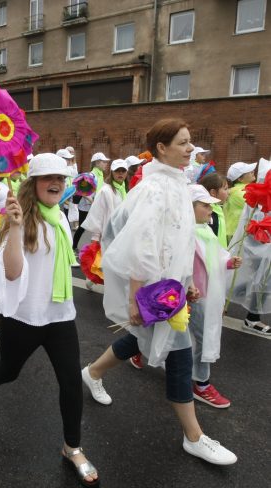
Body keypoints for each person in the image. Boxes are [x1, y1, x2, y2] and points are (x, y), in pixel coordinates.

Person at [81, 118, 237, 465]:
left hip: (169, 287)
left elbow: (178, 239)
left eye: (190, 142)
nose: (190, 148)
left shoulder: (177, 184)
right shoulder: (155, 189)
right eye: (182, 143)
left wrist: (188, 281)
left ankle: (91, 373)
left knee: (138, 338)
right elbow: (140, 243)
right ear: (161, 149)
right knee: (181, 354)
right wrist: (138, 294)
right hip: (153, 288)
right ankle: (194, 437)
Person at [0, 153, 100, 488]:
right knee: (8, 371)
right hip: (23, 317)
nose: (56, 183)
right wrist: (12, 226)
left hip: (59, 316)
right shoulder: (21, 219)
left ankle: (72, 447)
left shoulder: (60, 218)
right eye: (47, 178)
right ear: (33, 183)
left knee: (71, 382)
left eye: (61, 178)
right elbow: (12, 272)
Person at [189, 184, 241, 408]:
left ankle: (139, 351)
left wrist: (229, 262)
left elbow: (215, 257)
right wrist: (187, 286)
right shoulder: (183, 232)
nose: (211, 210)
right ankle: (201, 385)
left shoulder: (205, 230)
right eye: (205, 206)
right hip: (192, 295)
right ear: (189, 207)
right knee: (201, 338)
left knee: (186, 335)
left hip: (206, 294)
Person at [227, 158, 271, 335]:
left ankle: (249, 315)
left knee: (255, 282)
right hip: (259, 249)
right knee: (260, 282)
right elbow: (256, 228)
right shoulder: (259, 199)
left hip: (260, 248)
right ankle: (252, 319)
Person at [80, 159, 128, 290]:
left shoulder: (124, 189)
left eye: (123, 171)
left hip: (120, 234)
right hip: (107, 234)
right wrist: (95, 237)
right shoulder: (105, 191)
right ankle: (92, 279)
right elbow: (97, 214)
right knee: (103, 262)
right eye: (117, 170)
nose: (120, 173)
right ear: (112, 172)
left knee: (113, 264)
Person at [72, 152, 109, 254]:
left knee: (97, 229)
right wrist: (92, 200)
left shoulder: (101, 176)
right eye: (104, 162)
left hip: (96, 206)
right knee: (82, 227)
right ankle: (73, 247)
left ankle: (96, 251)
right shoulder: (91, 175)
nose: (106, 164)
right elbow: (80, 189)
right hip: (86, 206)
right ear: (97, 163)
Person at [223, 161, 256, 242]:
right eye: (248, 171)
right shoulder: (240, 192)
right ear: (240, 179)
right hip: (236, 233)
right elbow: (258, 207)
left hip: (237, 232)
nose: (253, 172)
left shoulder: (241, 189)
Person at [199, 173, 229, 248]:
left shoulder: (217, 208)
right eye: (225, 189)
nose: (229, 192)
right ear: (213, 192)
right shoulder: (209, 214)